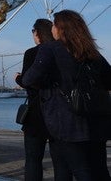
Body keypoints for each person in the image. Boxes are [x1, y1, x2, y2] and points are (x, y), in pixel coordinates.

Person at [22, 10, 111, 180]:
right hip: (97, 120)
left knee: (79, 169)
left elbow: (29, 78)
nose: (52, 29)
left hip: (67, 119)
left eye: (54, 25)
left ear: (61, 28)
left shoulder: (51, 48)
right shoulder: (92, 51)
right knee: (98, 168)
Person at [14, 18, 53, 181]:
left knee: (32, 159)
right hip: (57, 113)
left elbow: (27, 82)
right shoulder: (61, 50)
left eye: (33, 31)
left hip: (36, 112)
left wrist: (18, 79)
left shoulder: (32, 53)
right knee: (61, 160)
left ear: (37, 33)